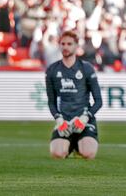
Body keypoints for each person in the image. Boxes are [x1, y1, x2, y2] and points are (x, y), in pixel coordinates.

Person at [45, 30, 103, 160]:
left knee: (88, 154)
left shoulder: (86, 68)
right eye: (63, 43)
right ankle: (69, 145)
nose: (65, 47)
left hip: (83, 121)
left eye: (69, 44)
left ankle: (78, 146)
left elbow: (98, 101)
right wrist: (58, 119)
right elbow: (51, 102)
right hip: (64, 122)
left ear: (76, 46)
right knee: (57, 154)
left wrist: (85, 118)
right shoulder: (52, 70)